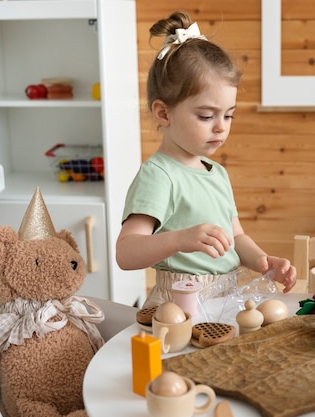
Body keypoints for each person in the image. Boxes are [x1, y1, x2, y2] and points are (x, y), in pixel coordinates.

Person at [116, 11, 296, 308]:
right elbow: (126, 253)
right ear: (163, 113)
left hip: (225, 297)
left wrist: (263, 262)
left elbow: (236, 238)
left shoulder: (217, 173)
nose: (220, 126)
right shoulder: (159, 175)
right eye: (206, 115)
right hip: (180, 304)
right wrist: (180, 239)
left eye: (228, 115)